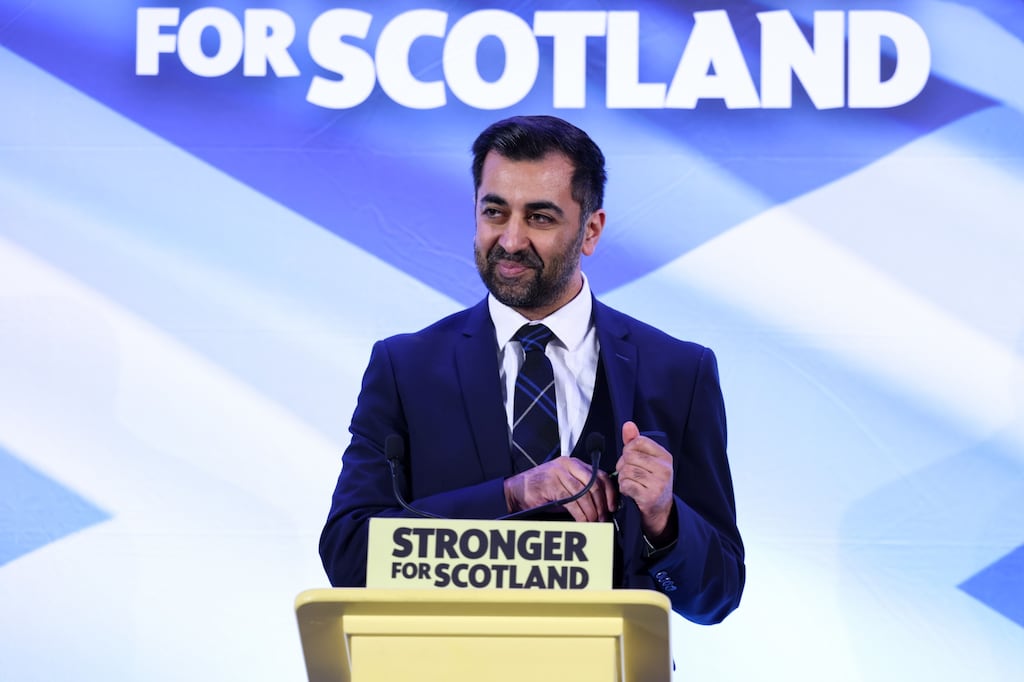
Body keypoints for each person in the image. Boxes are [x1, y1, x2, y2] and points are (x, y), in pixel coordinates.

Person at [319, 115, 744, 624]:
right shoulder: (405, 368)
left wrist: (663, 520)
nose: (512, 239)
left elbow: (717, 594)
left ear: (591, 230)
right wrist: (510, 495)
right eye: (495, 212)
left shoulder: (678, 372)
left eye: (540, 217)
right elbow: (348, 554)